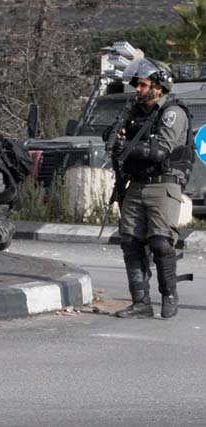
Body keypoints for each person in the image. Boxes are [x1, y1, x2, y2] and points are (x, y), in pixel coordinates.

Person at [107, 58, 194, 319]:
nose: (137, 89)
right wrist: (117, 134)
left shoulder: (172, 113)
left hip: (163, 183)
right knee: (130, 241)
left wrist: (129, 147)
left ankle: (168, 294)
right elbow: (112, 136)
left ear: (158, 86)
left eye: (143, 84)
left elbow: (161, 150)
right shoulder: (135, 112)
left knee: (160, 241)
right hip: (137, 183)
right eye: (137, 85)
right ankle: (141, 302)